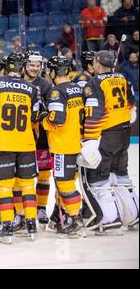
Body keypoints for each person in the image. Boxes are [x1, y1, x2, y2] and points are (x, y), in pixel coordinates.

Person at [0, 52, 41, 244]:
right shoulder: (32, 88)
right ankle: (31, 223)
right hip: (26, 143)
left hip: (3, 143)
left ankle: (7, 226)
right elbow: (34, 117)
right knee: (27, 185)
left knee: (5, 186)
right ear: (23, 68)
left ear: (7, 67)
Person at [79, 50, 138, 233]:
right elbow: (131, 105)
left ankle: (109, 219)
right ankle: (133, 216)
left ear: (97, 63)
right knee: (121, 176)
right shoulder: (122, 79)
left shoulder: (94, 83)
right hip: (124, 133)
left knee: (99, 178)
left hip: (107, 135)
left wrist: (89, 141)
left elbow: (94, 114)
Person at [42, 56, 85, 236]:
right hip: (77, 143)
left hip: (62, 145)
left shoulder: (57, 92)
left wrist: (44, 118)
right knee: (68, 182)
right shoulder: (78, 89)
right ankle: (67, 216)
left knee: (64, 184)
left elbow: (57, 120)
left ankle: (75, 218)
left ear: (53, 72)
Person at [21, 51, 53, 229]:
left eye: (37, 66)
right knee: (22, 177)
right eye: (32, 65)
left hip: (41, 137)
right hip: (21, 136)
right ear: (25, 65)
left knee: (43, 175)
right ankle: (23, 210)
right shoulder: (17, 81)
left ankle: (41, 208)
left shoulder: (46, 85)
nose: (34, 68)